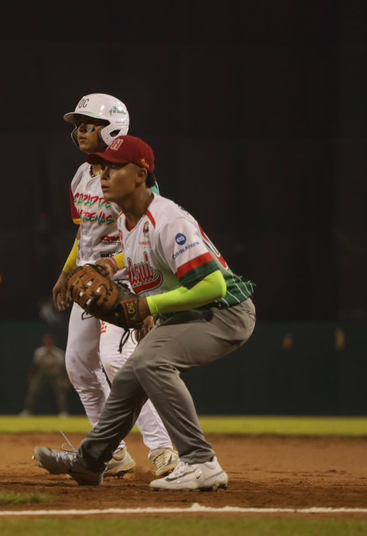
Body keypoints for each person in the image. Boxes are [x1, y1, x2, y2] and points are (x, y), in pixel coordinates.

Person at [34, 136, 257, 491]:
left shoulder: (169, 220)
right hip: (190, 312)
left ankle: (201, 461)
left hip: (225, 312)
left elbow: (213, 287)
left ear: (140, 174)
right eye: (102, 167)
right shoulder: (127, 221)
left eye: (114, 167)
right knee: (128, 377)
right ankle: (91, 462)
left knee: (151, 361)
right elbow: (146, 257)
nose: (103, 175)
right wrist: (113, 263)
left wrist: (148, 306)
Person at [50, 94, 179, 479]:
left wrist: (144, 290)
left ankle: (163, 451)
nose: (80, 132)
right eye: (78, 125)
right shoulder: (81, 175)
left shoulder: (131, 175)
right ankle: (114, 452)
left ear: (113, 128)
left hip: (126, 280)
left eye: (89, 124)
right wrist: (65, 272)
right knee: (77, 365)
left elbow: (148, 231)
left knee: (117, 360)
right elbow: (85, 233)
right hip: (89, 282)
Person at [19, 335, 70, 418]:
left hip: (55, 374)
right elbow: (35, 366)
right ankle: (27, 411)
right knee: (33, 391)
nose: (48, 343)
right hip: (43, 373)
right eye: (46, 342)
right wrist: (31, 376)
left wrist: (65, 379)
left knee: (60, 394)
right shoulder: (39, 352)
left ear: (53, 343)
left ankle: (63, 412)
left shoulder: (58, 353)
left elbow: (64, 367)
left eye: (50, 342)